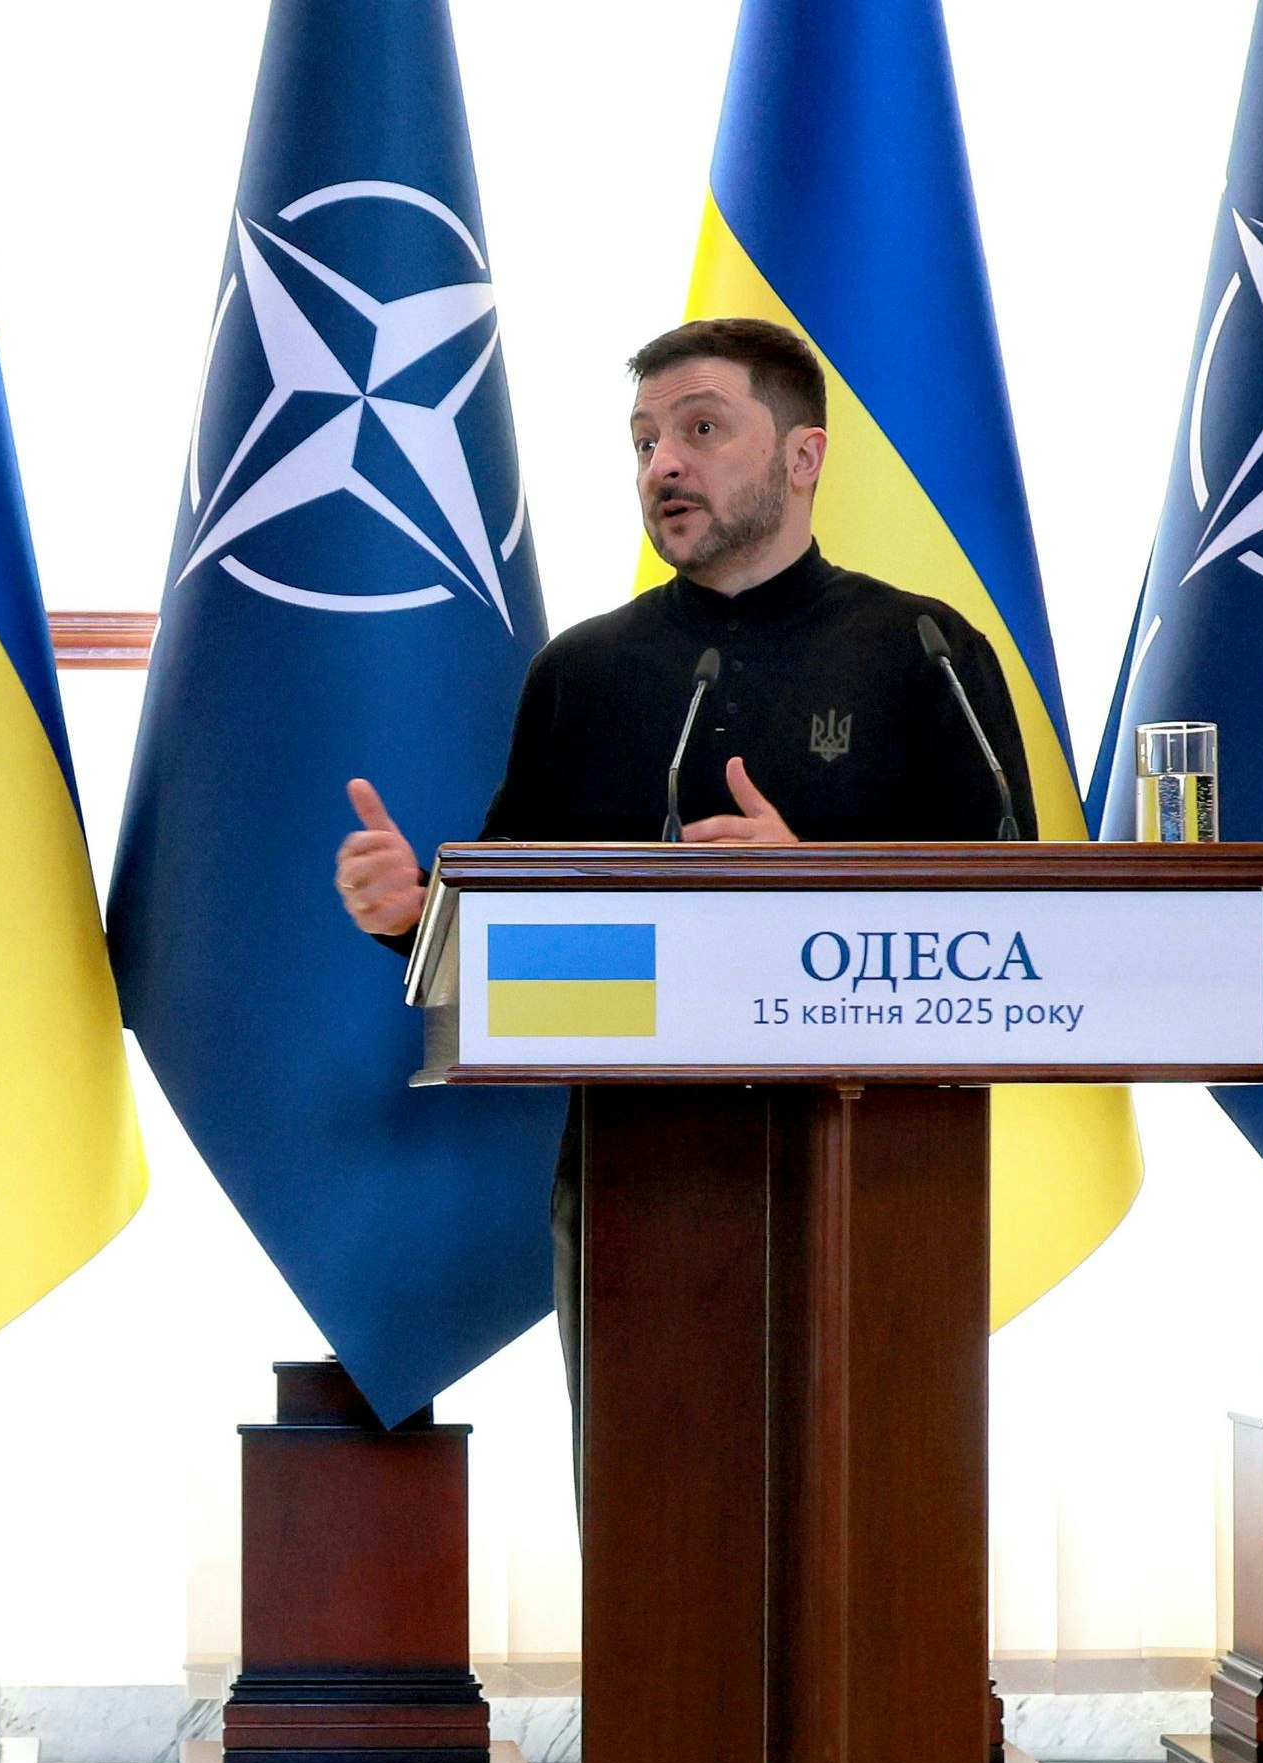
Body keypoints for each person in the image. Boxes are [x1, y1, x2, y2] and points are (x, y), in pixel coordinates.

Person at [330, 316, 1030, 1407]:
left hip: (880, 1170)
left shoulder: (923, 650)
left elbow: (1018, 926)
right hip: (636, 1177)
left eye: (702, 428)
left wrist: (813, 885)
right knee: (648, 1536)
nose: (664, 463)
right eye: (645, 439)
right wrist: (411, 918)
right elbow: (510, 962)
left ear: (804, 458)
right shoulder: (585, 674)